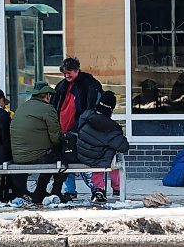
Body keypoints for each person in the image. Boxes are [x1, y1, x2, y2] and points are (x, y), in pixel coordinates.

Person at [10, 81, 71, 204]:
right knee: (62, 157)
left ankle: (40, 191)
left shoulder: (22, 107)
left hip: (17, 156)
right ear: (47, 95)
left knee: (48, 156)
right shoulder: (48, 109)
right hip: (36, 156)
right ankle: (56, 192)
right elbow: (55, 137)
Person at [51, 57, 102, 199]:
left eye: (70, 72)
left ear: (77, 70)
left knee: (84, 160)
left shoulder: (89, 84)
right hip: (65, 129)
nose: (67, 75)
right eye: (64, 73)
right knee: (67, 158)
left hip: (81, 128)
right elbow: (55, 105)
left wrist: (84, 124)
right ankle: (70, 189)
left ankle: (95, 189)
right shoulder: (61, 86)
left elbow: (92, 106)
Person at [76, 91, 129, 203]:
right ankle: (116, 188)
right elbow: (124, 147)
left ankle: (99, 189)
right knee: (112, 154)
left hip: (82, 155)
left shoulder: (85, 116)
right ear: (111, 108)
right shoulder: (111, 127)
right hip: (99, 159)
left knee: (101, 154)